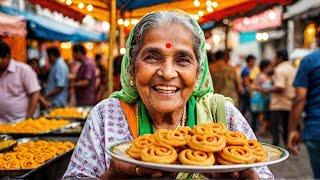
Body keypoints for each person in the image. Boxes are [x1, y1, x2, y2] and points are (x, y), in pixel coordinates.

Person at [63, 11, 273, 179]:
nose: (167, 73)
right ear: (131, 68)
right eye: (152, 57)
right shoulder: (106, 116)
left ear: (198, 73)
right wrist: (114, 175)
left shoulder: (223, 116)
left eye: (183, 60)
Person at [288, 28, 320, 178]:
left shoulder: (309, 61)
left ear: (317, 39)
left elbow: (300, 98)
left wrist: (292, 129)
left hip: (316, 129)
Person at [0, 41, 41, 123]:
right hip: (2, 123)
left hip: (20, 122)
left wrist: (28, 119)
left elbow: (35, 93)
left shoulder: (24, 70)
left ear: (7, 57)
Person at [265, 50, 296, 146]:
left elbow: (280, 87)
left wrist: (265, 89)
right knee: (286, 126)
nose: (273, 60)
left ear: (280, 58)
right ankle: (288, 144)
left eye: (275, 58)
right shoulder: (292, 68)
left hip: (279, 103)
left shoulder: (280, 69)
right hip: (290, 102)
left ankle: (276, 146)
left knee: (274, 126)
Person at [250, 60, 272, 133]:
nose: (271, 68)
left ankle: (260, 131)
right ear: (265, 67)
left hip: (263, 100)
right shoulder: (261, 76)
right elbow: (254, 87)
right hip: (259, 99)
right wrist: (264, 90)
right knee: (255, 117)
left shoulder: (266, 76)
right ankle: (254, 132)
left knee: (258, 117)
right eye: (269, 66)